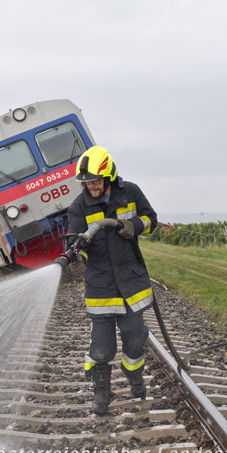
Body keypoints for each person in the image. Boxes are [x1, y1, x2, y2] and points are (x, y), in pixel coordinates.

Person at [67, 145, 157, 415]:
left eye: (95, 181)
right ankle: (102, 392)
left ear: (108, 176)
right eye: (86, 182)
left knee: (134, 336)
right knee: (102, 345)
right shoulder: (78, 207)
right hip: (101, 285)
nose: (91, 186)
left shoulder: (130, 192)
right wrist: (77, 249)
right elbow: (74, 240)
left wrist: (135, 226)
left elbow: (150, 219)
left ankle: (134, 376)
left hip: (131, 281)